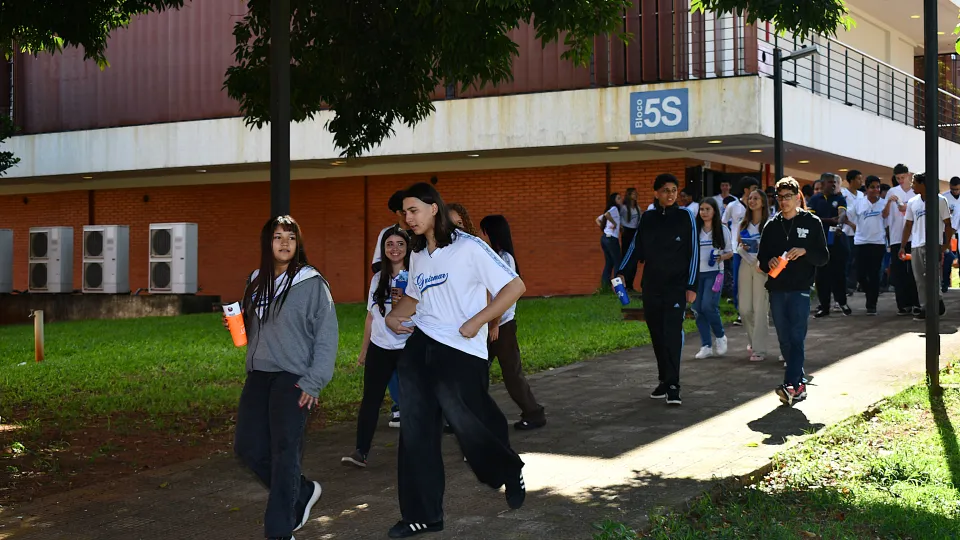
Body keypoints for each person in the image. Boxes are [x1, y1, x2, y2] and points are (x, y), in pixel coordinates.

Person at [384, 183, 527, 538]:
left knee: (468, 421)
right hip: (421, 345)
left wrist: (478, 321)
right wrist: (393, 316)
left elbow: (514, 287)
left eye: (414, 210)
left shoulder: (469, 246)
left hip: (461, 349)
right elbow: (415, 297)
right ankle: (423, 515)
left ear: (434, 208)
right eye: (404, 212)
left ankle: (507, 468)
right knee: (415, 432)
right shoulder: (418, 254)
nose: (408, 218)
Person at [232, 215, 337, 540]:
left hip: (293, 378)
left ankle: (279, 532)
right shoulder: (256, 281)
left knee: (284, 452)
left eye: (291, 237)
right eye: (278, 237)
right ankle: (301, 491)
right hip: (259, 376)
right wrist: (240, 324)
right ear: (268, 243)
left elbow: (327, 335)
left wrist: (314, 380)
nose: (285, 243)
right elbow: (262, 329)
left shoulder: (311, 282)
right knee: (248, 448)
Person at [618, 173, 698, 406]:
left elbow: (693, 251)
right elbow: (635, 248)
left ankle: (673, 385)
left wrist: (691, 285)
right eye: (665, 190)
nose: (670, 195)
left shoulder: (685, 216)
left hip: (676, 286)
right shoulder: (648, 218)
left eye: (673, 190)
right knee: (657, 334)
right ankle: (664, 379)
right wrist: (622, 272)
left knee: (672, 334)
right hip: (652, 286)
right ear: (656, 193)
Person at [343, 226, 412, 469]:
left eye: (400, 244)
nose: (395, 249)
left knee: (412, 402)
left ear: (408, 248)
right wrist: (365, 349)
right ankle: (360, 451)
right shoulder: (376, 279)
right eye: (389, 244)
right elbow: (371, 316)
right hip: (380, 347)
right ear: (383, 249)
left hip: (407, 347)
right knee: (371, 400)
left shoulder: (415, 276)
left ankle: (414, 453)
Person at [758, 178, 829, 406]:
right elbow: (761, 259)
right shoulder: (771, 225)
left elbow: (823, 257)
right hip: (777, 289)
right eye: (779, 197)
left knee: (797, 337)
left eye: (788, 196)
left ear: (798, 197)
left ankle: (790, 384)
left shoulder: (812, 222)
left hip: (800, 288)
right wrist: (768, 262)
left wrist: (805, 250)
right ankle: (798, 385)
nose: (783, 201)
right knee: (784, 338)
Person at [479, 214, 546, 430]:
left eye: (482, 231)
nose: (480, 235)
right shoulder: (494, 256)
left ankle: (534, 413)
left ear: (490, 232)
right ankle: (467, 414)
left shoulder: (504, 258)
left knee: (511, 373)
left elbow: (504, 295)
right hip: (489, 325)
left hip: (501, 326)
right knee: (475, 371)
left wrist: (494, 323)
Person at [371, 191, 407, 428]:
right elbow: (377, 265)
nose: (408, 215)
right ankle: (398, 406)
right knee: (391, 354)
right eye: (404, 210)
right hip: (391, 300)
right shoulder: (388, 233)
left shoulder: (422, 233)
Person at [900, 172, 953, 321]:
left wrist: (945, 244)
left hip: (933, 244)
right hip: (916, 244)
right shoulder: (912, 202)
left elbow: (948, 224)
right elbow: (908, 224)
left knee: (933, 276)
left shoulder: (940, 200)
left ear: (923, 184)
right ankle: (926, 306)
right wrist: (903, 246)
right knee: (919, 278)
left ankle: (934, 304)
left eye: (914, 183)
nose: (912, 186)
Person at [807, 173, 852, 317]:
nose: (833, 185)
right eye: (830, 182)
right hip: (820, 243)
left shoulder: (839, 198)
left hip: (837, 242)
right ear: (823, 184)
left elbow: (842, 214)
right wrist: (829, 220)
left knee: (839, 274)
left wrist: (838, 223)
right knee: (822, 276)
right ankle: (824, 306)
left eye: (834, 182)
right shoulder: (814, 200)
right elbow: (811, 219)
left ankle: (842, 302)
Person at [692, 198, 732, 359]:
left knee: (708, 305)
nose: (704, 212)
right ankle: (706, 345)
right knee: (697, 308)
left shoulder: (722, 230)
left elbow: (730, 252)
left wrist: (721, 257)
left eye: (707, 209)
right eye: (702, 209)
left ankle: (720, 336)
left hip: (715, 273)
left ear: (714, 211)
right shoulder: (695, 229)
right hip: (696, 274)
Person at [737, 189, 772, 362]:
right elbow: (738, 244)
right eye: (750, 198)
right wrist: (742, 247)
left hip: (762, 267)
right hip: (745, 263)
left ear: (763, 202)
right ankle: (753, 342)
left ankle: (759, 349)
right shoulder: (743, 224)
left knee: (760, 309)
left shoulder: (769, 224)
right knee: (744, 309)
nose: (752, 201)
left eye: (756, 198)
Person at [722, 176, 761, 326]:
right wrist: (728, 243)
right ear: (746, 190)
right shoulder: (733, 206)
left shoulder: (758, 206)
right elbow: (723, 223)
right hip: (738, 250)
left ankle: (756, 311)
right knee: (738, 281)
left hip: (756, 250)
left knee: (755, 281)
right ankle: (741, 312)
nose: (756, 192)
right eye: (753, 189)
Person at [884, 164, 920, 316]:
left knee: (914, 271)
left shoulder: (916, 192)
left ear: (908, 175)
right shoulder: (892, 192)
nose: (900, 180)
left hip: (914, 237)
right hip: (897, 238)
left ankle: (916, 302)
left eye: (903, 177)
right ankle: (903, 304)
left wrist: (906, 207)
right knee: (899, 273)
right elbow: (884, 215)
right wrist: (888, 202)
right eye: (898, 178)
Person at [849, 176, 887, 315]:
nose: (875, 190)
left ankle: (872, 304)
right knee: (860, 274)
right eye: (872, 187)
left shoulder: (883, 204)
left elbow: (888, 223)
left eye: (878, 187)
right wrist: (853, 226)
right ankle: (868, 291)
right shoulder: (859, 203)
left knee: (874, 274)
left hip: (878, 243)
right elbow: (847, 216)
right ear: (866, 188)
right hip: (861, 243)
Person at [841, 170, 865, 294]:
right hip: (846, 232)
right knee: (846, 260)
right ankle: (844, 286)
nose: (861, 181)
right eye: (858, 179)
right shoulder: (843, 194)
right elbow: (842, 214)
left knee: (856, 261)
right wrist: (851, 225)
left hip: (859, 234)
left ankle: (852, 284)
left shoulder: (861, 195)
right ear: (851, 180)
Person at [597, 192, 623, 290]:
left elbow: (597, 219)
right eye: (618, 198)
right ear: (614, 200)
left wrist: (605, 228)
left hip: (605, 238)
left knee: (609, 262)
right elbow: (607, 215)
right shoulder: (614, 208)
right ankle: (617, 288)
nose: (621, 200)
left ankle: (605, 286)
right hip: (611, 239)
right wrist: (614, 224)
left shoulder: (612, 209)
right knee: (617, 262)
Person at [940, 176, 960, 292]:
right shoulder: (945, 198)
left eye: (957, 189)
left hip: (958, 232)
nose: (955, 191)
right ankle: (945, 282)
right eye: (953, 189)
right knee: (948, 257)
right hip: (947, 232)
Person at [620, 188, 642, 292]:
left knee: (634, 258)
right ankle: (624, 284)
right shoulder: (624, 208)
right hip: (627, 232)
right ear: (628, 195)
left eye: (636, 194)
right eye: (633, 194)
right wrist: (620, 227)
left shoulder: (637, 208)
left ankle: (630, 284)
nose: (635, 195)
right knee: (626, 257)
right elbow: (617, 217)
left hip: (635, 232)